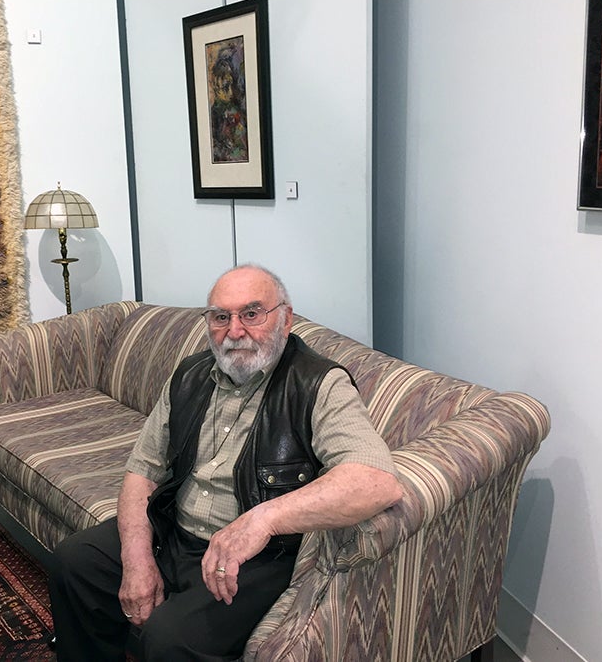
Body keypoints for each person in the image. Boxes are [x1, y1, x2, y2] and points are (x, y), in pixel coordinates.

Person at [49, 264, 403, 661]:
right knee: (74, 564)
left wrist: (262, 520)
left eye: (251, 314)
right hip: (174, 532)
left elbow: (375, 480)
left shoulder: (318, 384)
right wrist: (137, 557)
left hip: (256, 561)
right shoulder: (189, 375)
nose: (235, 331)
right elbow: (143, 469)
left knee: (169, 639)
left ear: (285, 319)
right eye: (221, 317)